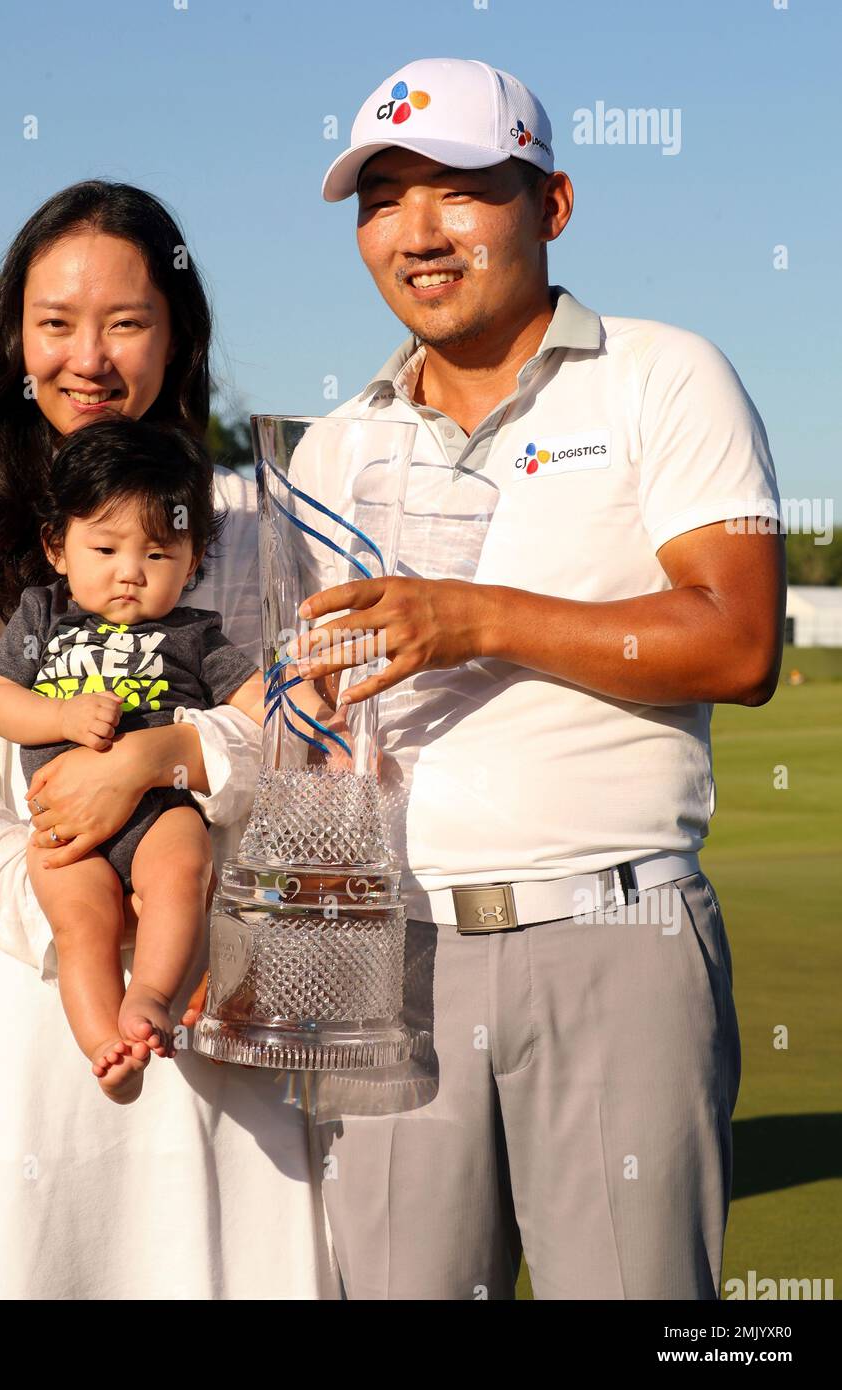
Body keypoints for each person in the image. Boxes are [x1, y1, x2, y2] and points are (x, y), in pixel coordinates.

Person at [295, 58, 785, 1299]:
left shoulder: (661, 373)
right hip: (388, 955)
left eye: (460, 189)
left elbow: (737, 643)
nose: (416, 232)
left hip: (611, 930)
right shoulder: (336, 442)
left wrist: (476, 619)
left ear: (549, 203)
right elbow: (299, 711)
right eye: (383, 197)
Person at [0, 179, 338, 1299]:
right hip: (29, 978)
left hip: (211, 978)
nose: (88, 357)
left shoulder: (241, 517)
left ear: (176, 337)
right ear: (15, 338)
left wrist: (163, 765)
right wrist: (68, 910)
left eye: (125, 322)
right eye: (56, 324)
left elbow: (303, 737)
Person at [0, 413, 347, 1101]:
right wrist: (59, 715)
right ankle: (103, 1045)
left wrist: (305, 702)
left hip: (160, 808)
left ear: (192, 558)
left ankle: (149, 996)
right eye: (105, 549)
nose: (129, 573)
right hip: (64, 823)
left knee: (184, 868)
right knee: (80, 922)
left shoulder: (195, 633)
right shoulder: (41, 616)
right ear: (56, 547)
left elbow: (252, 700)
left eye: (156, 555)